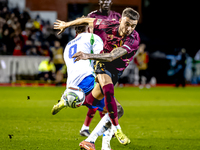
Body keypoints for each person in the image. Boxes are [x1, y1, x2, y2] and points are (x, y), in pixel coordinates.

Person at [54, 7, 140, 148]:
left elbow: (112, 56)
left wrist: (87, 55)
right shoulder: (109, 24)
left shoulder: (133, 39)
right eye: (127, 24)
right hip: (102, 65)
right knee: (108, 91)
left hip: (115, 70)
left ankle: (88, 138)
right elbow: (87, 20)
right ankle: (114, 132)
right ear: (120, 21)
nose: (129, 28)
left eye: (133, 26)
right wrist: (66, 24)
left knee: (97, 103)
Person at [51, 23, 124, 150]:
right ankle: (93, 143)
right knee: (116, 109)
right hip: (87, 80)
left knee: (106, 109)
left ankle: (66, 100)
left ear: (76, 31)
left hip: (72, 86)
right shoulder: (92, 37)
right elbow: (100, 59)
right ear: (89, 29)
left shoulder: (69, 45)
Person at [80, 0, 122, 137]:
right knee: (104, 92)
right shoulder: (92, 16)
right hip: (96, 58)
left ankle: (87, 127)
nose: (105, 2)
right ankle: (108, 129)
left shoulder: (118, 17)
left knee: (102, 93)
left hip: (111, 59)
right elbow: (84, 34)